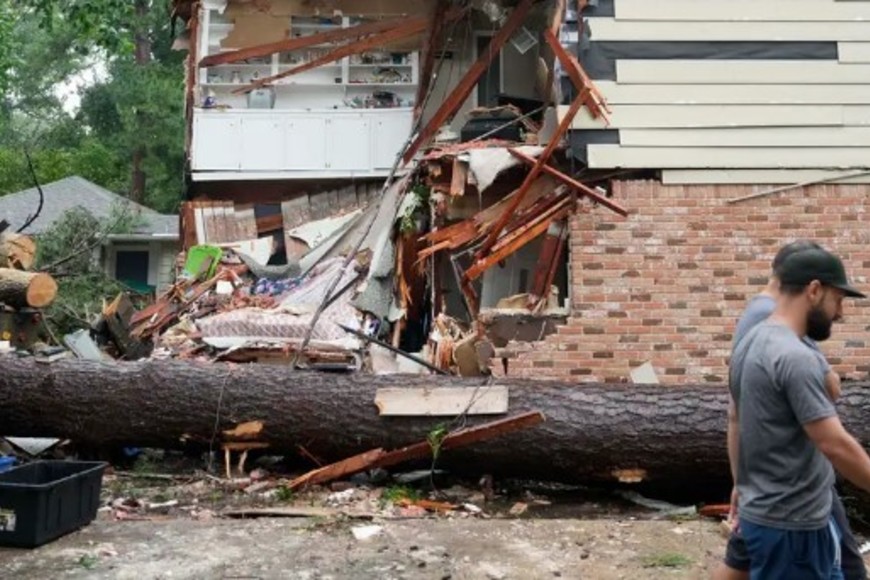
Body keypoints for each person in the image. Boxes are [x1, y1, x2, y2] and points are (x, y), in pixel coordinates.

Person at [714, 241, 867, 580]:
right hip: (793, 526)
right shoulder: (795, 357)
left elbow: (736, 418)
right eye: (837, 300)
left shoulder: (750, 343)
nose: (839, 313)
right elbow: (834, 444)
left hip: (763, 512)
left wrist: (742, 483)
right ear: (814, 290)